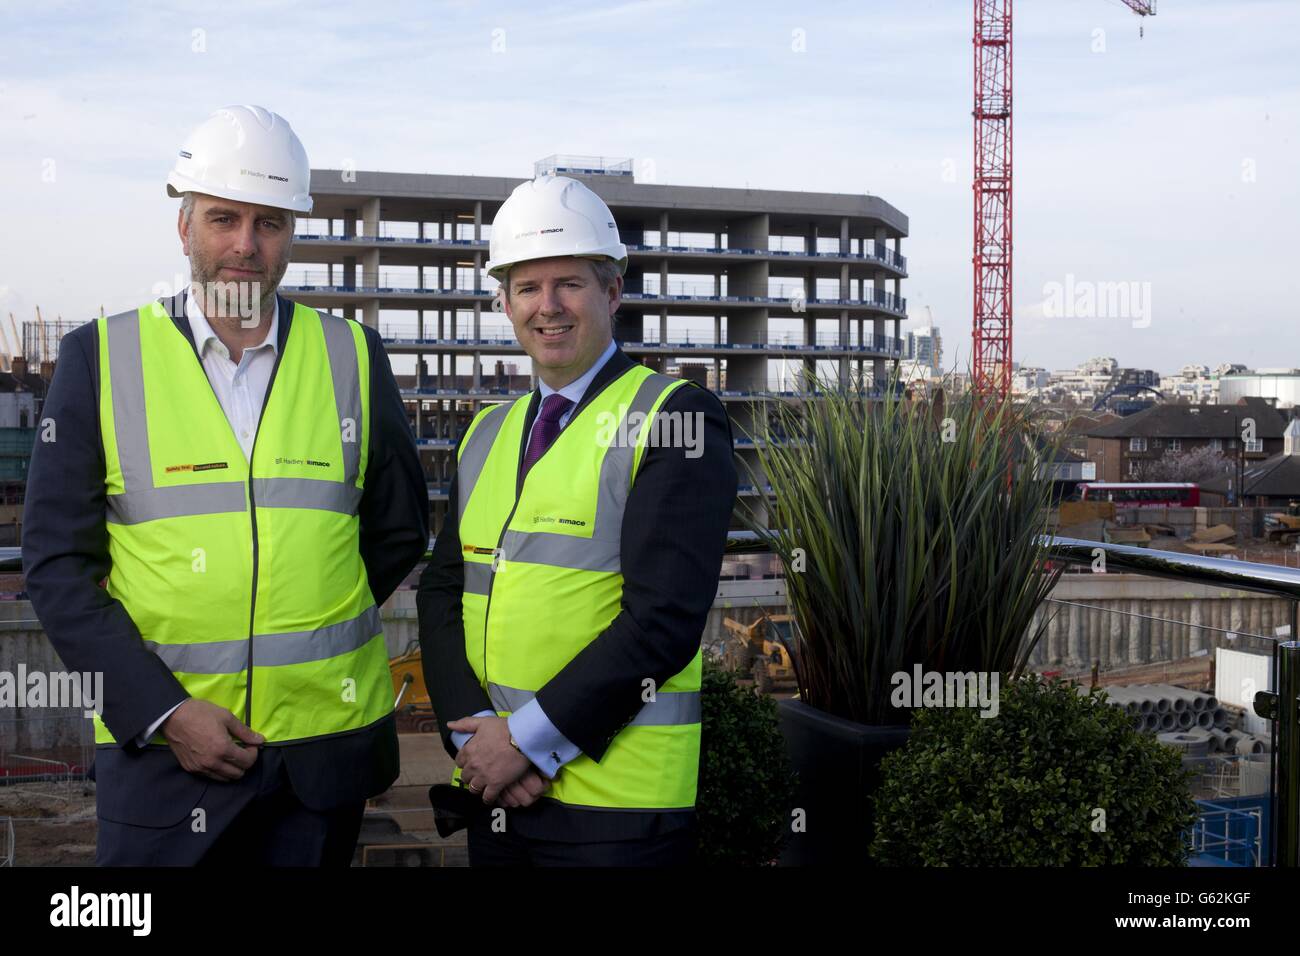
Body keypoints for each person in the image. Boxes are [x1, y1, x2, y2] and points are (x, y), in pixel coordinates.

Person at [22, 105, 428, 866]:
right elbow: (55, 565)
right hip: (163, 762)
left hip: (321, 761)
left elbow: (399, 528)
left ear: (293, 233)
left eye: (269, 222)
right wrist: (166, 711)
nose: (245, 244)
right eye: (223, 218)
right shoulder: (99, 360)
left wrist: (306, 600)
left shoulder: (354, 357)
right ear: (184, 228)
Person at [417, 175, 737, 866]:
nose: (548, 307)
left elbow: (662, 621)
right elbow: (444, 593)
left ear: (613, 291)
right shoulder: (485, 433)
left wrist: (527, 741)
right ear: (503, 301)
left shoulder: (673, 417)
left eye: (568, 284)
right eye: (527, 289)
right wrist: (476, 745)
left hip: (614, 815)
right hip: (493, 792)